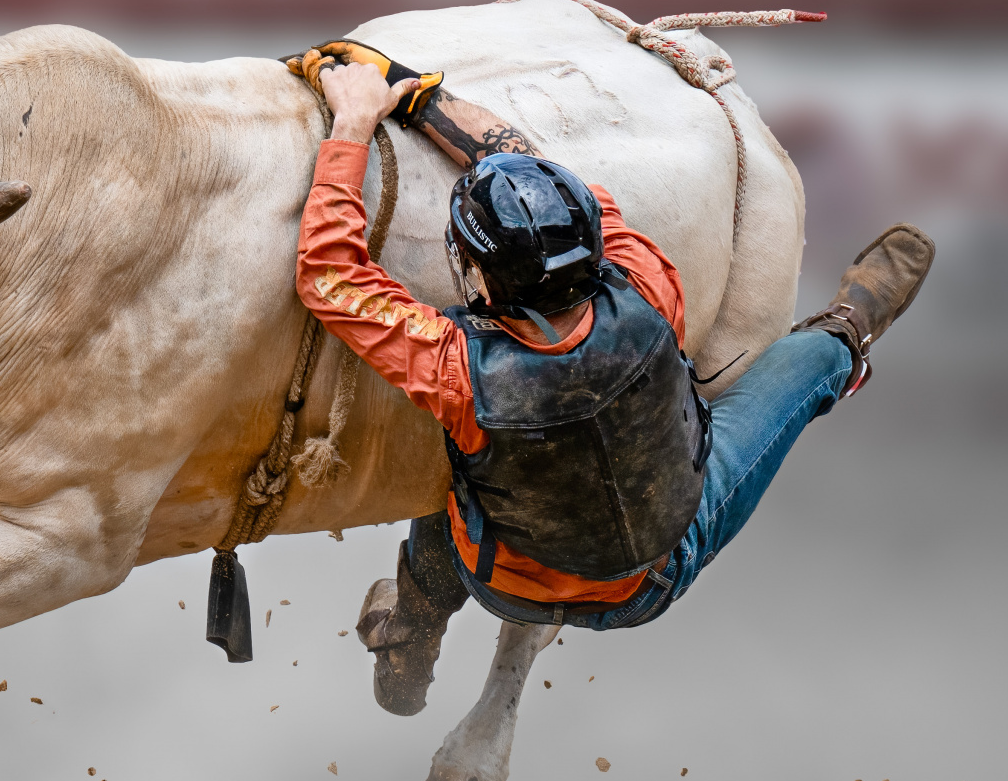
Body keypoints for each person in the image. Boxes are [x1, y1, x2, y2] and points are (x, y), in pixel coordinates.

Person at [300, 57, 935, 716]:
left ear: (481, 278)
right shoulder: (649, 286)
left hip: (504, 581)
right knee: (806, 362)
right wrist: (426, 99)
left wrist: (355, 121)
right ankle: (850, 328)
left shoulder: (454, 369)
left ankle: (413, 631)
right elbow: (532, 162)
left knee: (456, 466)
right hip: (649, 579)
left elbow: (330, 276)